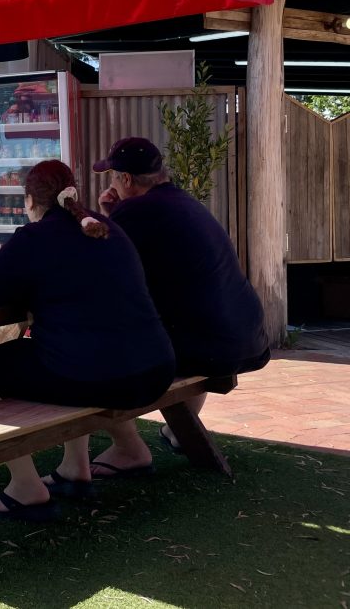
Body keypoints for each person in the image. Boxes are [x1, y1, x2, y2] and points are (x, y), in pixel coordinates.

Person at [0, 160, 175, 522]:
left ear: (29, 201)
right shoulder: (106, 227)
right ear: (73, 193)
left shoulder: (34, 237)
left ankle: (26, 488)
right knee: (75, 353)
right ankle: (75, 468)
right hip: (155, 369)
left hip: (100, 376)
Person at [89, 137, 270, 476]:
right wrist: (114, 217)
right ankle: (178, 430)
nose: (111, 184)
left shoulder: (139, 210)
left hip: (210, 347)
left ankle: (128, 451)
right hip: (245, 338)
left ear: (126, 180)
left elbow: (102, 264)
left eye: (112, 177)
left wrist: (108, 217)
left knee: (90, 355)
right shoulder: (181, 202)